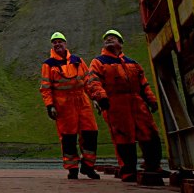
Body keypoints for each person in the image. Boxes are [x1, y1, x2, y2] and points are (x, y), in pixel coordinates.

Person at [86, 29, 164, 183]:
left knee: (149, 133)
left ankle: (153, 166)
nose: (108, 39)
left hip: (137, 102)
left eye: (112, 38)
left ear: (120, 43)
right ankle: (128, 171)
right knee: (123, 137)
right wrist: (101, 98)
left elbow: (144, 84)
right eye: (106, 38)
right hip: (115, 104)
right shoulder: (98, 62)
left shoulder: (132, 63)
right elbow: (93, 81)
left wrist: (151, 100)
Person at [39, 32, 101, 180]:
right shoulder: (48, 64)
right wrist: (50, 106)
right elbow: (46, 88)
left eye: (60, 41)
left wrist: (95, 98)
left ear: (65, 43)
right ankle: (72, 168)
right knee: (68, 138)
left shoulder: (78, 61)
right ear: (52, 46)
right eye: (55, 42)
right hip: (63, 105)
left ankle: (88, 166)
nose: (58, 44)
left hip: (82, 101)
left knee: (90, 133)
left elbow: (88, 81)